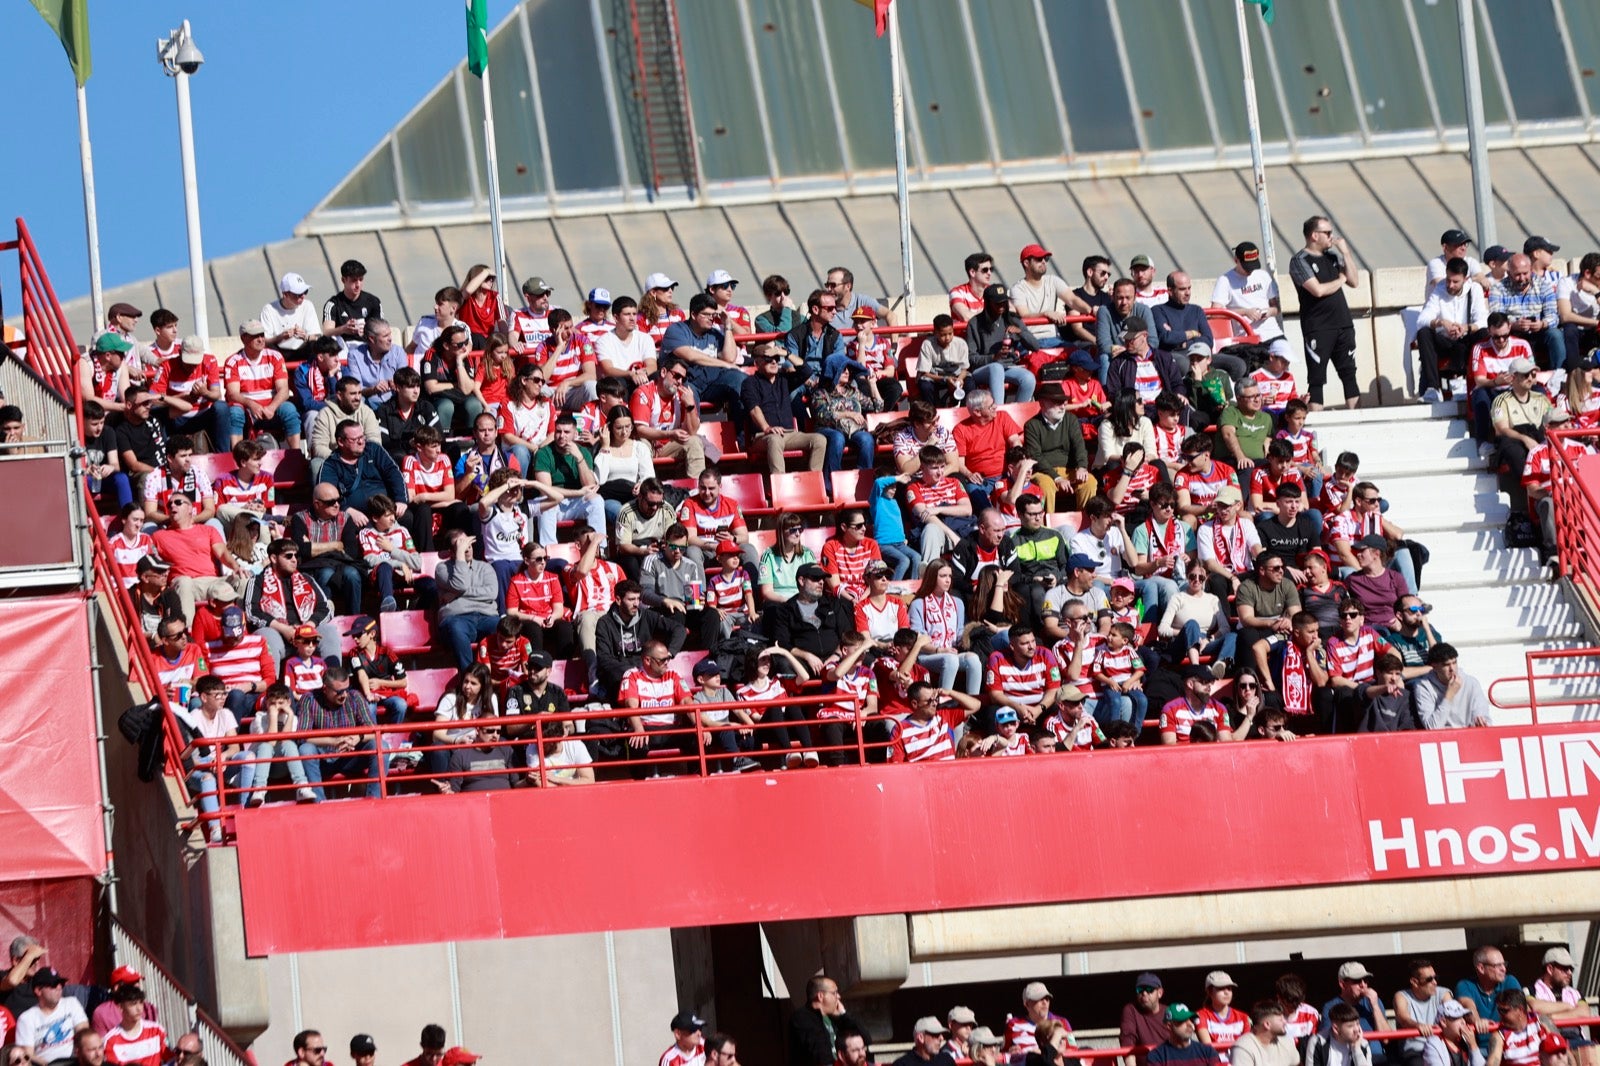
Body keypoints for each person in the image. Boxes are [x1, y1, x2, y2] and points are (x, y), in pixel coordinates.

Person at [1291, 216, 1361, 410]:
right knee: (1317, 378)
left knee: (1349, 373)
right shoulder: (1299, 261)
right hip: (1318, 327)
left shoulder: (1332, 257)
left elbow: (1354, 282)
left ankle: (1358, 418)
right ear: (1314, 235)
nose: (1332, 237)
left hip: (1343, 324)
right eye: (1327, 233)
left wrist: (1346, 253)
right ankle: (1318, 425)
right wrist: (1340, 280)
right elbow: (1318, 290)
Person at [662, 293, 748, 427]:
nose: (711, 319)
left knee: (740, 379)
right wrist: (725, 364)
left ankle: (743, 439)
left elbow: (730, 358)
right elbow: (691, 356)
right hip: (687, 381)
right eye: (706, 315)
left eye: (713, 315)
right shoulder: (676, 330)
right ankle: (692, 438)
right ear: (694, 315)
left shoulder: (714, 333)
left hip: (712, 382)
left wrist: (728, 326)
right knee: (687, 392)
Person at [295, 666, 381, 800]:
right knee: (306, 749)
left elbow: (374, 730)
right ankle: (318, 802)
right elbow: (302, 737)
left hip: (350, 757)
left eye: (346, 689)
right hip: (323, 759)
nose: (344, 695)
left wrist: (358, 737)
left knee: (380, 745)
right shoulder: (309, 699)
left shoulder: (355, 696)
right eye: (339, 691)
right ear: (325, 689)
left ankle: (375, 799)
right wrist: (334, 741)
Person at [742, 342, 826, 474]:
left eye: (776, 359)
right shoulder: (750, 383)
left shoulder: (784, 380)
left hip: (789, 434)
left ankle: (813, 482)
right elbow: (754, 409)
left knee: (819, 440)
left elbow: (806, 371)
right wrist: (767, 428)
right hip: (763, 436)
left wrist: (786, 354)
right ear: (756, 364)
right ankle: (780, 487)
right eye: (768, 360)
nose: (774, 363)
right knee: (774, 440)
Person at [1416, 257, 1489, 401]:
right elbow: (1421, 320)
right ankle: (1433, 388)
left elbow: (1483, 320)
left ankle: (1473, 382)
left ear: (1466, 279)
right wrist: (1441, 322)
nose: (1450, 285)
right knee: (1424, 332)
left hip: (1466, 340)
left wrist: (1466, 328)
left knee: (1482, 333)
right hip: (1445, 340)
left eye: (1456, 282)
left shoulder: (1474, 290)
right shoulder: (1439, 289)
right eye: (1448, 280)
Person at [532, 413, 607, 548]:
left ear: (574, 434)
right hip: (554, 501)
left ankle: (600, 549)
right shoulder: (544, 453)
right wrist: (578, 493)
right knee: (545, 501)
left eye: (567, 432)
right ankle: (549, 551)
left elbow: (590, 485)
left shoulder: (583, 452)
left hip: (575, 503)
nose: (562, 436)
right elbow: (545, 489)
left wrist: (579, 458)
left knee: (597, 500)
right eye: (558, 431)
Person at [224, 321, 302, 448]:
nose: (260, 339)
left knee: (289, 410)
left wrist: (272, 407)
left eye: (262, 335)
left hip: (271, 406)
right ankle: (237, 457)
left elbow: (284, 390)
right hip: (246, 408)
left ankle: (296, 454)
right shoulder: (233, 362)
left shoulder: (275, 357)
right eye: (255, 336)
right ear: (243, 338)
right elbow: (233, 394)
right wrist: (251, 404)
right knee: (235, 414)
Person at [1024, 384, 1098, 513]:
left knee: (1090, 482)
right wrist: (1056, 477)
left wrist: (1082, 466)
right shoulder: (1032, 425)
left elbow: (1079, 446)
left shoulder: (1071, 420)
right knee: (1045, 485)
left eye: (1063, 402)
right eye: (1057, 403)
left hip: (1069, 470)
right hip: (1044, 472)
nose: (1063, 406)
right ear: (1042, 403)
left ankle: (1085, 522)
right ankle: (1046, 523)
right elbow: (1035, 456)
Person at [434, 530, 501, 670]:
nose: (467, 548)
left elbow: (491, 593)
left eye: (468, 544)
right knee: (456, 629)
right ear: (451, 552)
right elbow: (461, 584)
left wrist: (456, 594)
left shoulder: (485, 567)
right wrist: (460, 557)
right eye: (462, 546)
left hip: (486, 616)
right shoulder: (442, 569)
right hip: (457, 618)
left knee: (503, 627)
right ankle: (469, 678)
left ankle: (498, 677)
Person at [964, 284, 1039, 404]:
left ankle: (1018, 413)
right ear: (988, 302)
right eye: (997, 303)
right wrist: (993, 357)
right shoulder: (975, 323)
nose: (1001, 306)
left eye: (1004, 302)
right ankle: (999, 411)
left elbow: (1035, 346)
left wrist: (1021, 333)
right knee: (996, 368)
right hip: (982, 369)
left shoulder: (1012, 319)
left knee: (1028, 378)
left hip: (1008, 367)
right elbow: (971, 357)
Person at [1491, 254, 1565, 371]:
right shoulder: (1498, 289)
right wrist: (1513, 324)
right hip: (1513, 332)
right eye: (1517, 275)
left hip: (1540, 331)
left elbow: (1553, 316)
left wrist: (1542, 324)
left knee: (1556, 335)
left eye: (1525, 273)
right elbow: (1496, 317)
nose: (1522, 278)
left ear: (1531, 270)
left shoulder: (1543, 285)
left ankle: (1558, 374)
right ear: (1509, 274)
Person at [787, 976, 868, 1066]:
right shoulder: (803, 1018)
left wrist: (843, 1015)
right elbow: (820, 1053)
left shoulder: (835, 1018)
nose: (838, 996)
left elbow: (865, 1039)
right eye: (834, 993)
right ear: (821, 996)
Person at [1321, 963, 1392, 1062]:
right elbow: (1327, 1041)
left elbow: (1386, 1039)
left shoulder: (1373, 1001)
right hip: (1347, 1059)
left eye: (1366, 980)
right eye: (1357, 981)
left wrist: (1375, 1006)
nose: (1363, 985)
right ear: (1342, 984)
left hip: (1376, 1058)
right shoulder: (1330, 1007)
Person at [14, 969, 87, 1065]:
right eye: (54, 985)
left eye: (61, 983)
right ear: (38, 991)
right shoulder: (26, 1019)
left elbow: (84, 1034)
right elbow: (27, 1055)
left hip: (76, 1062)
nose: (59, 987)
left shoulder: (72, 1003)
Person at [1411, 643, 1492, 729]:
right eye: (1446, 665)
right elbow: (1432, 727)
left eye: (1454, 663)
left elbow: (1485, 718)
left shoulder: (1471, 683)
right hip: (1443, 739)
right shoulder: (1423, 687)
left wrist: (1480, 723)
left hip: (1469, 736)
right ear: (1434, 667)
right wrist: (1449, 695)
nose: (1452, 669)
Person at [1394, 959, 1455, 1066]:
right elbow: (1403, 1018)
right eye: (1429, 979)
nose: (1435, 982)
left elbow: (1454, 1015)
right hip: (1416, 1051)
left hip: (1442, 1047)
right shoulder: (1401, 996)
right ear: (1414, 982)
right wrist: (1418, 1026)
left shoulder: (1443, 993)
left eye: (1435, 978)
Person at [100, 985, 165, 1066]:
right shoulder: (110, 1041)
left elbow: (171, 1058)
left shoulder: (157, 1030)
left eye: (141, 1002)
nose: (139, 1008)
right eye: (133, 1004)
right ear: (120, 1007)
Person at [323, 259, 382, 338]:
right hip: (343, 347)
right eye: (354, 280)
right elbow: (326, 332)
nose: (358, 285)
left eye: (361, 280)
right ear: (343, 280)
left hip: (368, 347)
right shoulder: (333, 304)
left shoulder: (373, 302)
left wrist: (366, 330)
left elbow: (381, 330)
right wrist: (343, 329)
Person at [1303, 1004, 1374, 1066]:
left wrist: (1356, 1049)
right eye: (1350, 1026)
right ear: (1336, 1029)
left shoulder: (1363, 1044)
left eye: (1358, 1024)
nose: (1356, 1029)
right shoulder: (1317, 1042)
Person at [1123, 974, 1171, 1066]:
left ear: (1160, 993)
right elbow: (1127, 1041)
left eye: (1149, 989)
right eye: (1140, 990)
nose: (1144, 993)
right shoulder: (1131, 1010)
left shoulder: (1169, 1012)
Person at [1148, 1005, 1216, 1066]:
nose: (1190, 1024)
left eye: (1191, 1019)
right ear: (1169, 1026)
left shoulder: (1207, 1051)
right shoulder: (1157, 1056)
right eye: (1182, 1020)